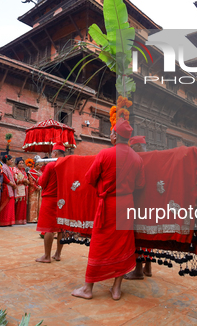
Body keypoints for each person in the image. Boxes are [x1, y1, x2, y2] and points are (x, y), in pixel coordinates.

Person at [72, 120, 145, 301]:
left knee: (100, 244)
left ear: (114, 135)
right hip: (126, 205)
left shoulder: (105, 154)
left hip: (108, 204)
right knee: (122, 244)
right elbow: (140, 184)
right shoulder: (137, 158)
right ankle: (116, 289)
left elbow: (90, 178)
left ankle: (88, 288)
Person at [125, 135, 153, 280]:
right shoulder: (152, 157)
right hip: (150, 203)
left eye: (132, 146)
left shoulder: (137, 158)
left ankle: (138, 270)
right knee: (146, 234)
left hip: (138, 201)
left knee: (138, 236)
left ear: (137, 147)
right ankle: (147, 267)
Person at [36, 142, 66, 263]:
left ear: (54, 153)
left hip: (50, 199)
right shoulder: (67, 165)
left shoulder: (50, 165)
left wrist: (40, 176)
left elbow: (42, 183)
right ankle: (58, 254)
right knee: (61, 228)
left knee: (49, 228)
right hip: (63, 200)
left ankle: (47, 256)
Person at [0, 155, 16, 227]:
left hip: (11, 188)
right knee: (6, 205)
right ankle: (4, 221)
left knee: (10, 205)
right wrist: (12, 184)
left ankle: (9, 221)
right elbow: (4, 178)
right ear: (7, 160)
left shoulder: (10, 168)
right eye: (11, 160)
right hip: (6, 188)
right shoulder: (4, 168)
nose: (12, 161)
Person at [13, 157, 29, 225]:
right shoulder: (15, 170)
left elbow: (26, 179)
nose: (21, 165)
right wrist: (23, 180)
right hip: (18, 189)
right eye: (20, 163)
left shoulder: (23, 171)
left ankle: (22, 220)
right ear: (16, 163)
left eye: (22, 163)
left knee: (23, 205)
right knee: (18, 205)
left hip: (24, 189)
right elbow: (15, 180)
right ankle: (17, 220)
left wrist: (26, 181)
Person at [26, 158, 41, 223]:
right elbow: (31, 181)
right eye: (39, 165)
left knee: (38, 204)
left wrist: (40, 186)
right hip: (32, 190)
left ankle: (37, 218)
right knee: (32, 204)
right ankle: (31, 218)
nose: (40, 166)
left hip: (38, 190)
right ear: (36, 165)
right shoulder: (31, 172)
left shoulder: (40, 173)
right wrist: (36, 187)